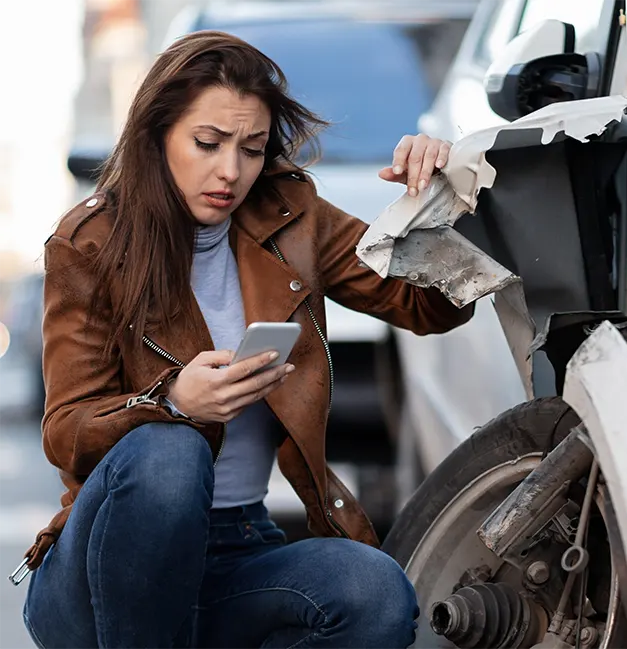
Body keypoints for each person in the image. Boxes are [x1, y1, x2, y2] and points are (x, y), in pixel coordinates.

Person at [19, 31, 472, 649]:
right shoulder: (90, 242)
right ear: (157, 136)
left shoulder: (290, 216)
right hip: (102, 571)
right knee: (171, 453)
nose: (230, 171)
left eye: (252, 149)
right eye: (207, 144)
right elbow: (65, 430)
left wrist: (439, 199)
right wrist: (173, 402)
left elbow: (428, 307)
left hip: (238, 548)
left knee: (373, 592)